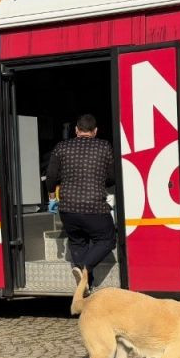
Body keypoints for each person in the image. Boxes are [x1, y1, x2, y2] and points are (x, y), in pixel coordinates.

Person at [46, 113, 116, 289]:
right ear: (95, 131)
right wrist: (101, 181)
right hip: (95, 208)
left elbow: (51, 176)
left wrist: (52, 198)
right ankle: (84, 268)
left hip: (68, 208)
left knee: (78, 242)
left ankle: (85, 285)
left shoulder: (62, 147)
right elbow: (113, 177)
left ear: (76, 130)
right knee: (107, 240)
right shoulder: (104, 146)